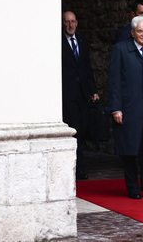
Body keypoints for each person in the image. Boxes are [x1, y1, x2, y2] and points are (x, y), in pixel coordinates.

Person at [108, 16, 143, 199]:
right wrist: (116, 108)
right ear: (132, 32)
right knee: (130, 150)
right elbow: (114, 81)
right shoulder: (121, 49)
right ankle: (132, 187)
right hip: (129, 109)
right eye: (140, 31)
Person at [62, 11, 99, 180]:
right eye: (67, 22)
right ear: (63, 23)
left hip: (83, 93)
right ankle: (75, 168)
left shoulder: (83, 41)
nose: (70, 25)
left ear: (77, 23)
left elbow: (87, 67)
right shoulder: (58, 42)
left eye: (73, 21)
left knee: (83, 129)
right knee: (74, 129)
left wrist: (93, 90)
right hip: (68, 93)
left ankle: (80, 166)